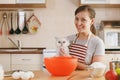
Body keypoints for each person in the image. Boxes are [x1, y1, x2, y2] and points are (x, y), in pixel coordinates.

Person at [59, 5, 105, 70]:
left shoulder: (97, 42)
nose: (78, 23)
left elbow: (95, 69)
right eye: (76, 19)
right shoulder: (68, 39)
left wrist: (70, 59)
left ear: (92, 21)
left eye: (83, 20)